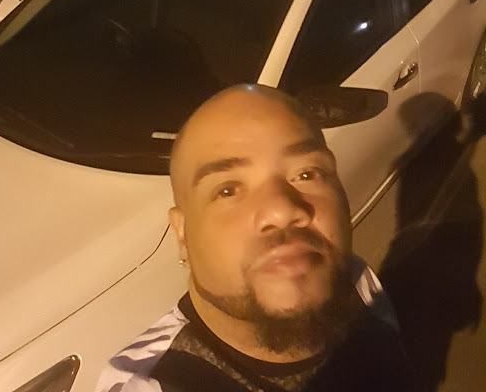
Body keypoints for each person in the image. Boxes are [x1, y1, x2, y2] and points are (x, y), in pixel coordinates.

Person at [97, 84, 421, 392]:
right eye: (227, 190)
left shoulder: (355, 281)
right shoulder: (155, 383)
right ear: (182, 234)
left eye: (307, 174)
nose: (281, 210)